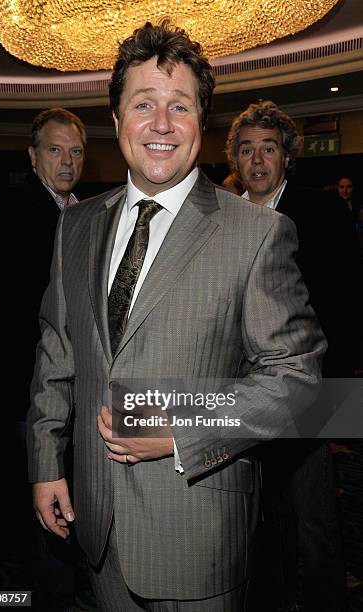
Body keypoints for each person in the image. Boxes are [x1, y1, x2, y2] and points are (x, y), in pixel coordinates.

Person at [27, 22, 326, 611]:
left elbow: (298, 383)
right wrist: (45, 463)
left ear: (201, 124)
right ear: (117, 123)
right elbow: (56, 355)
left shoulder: (258, 234)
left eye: (179, 107)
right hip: (97, 526)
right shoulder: (77, 226)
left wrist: (182, 430)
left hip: (201, 538)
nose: (160, 124)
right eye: (143, 104)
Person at [225, 100, 361, 611]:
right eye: (246, 150)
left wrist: (332, 388)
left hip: (311, 386)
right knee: (264, 512)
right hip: (242, 390)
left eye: (269, 149)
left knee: (314, 513)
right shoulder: (223, 219)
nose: (258, 161)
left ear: (287, 157)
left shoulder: (322, 210)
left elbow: (347, 299)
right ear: (234, 161)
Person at [0, 107, 92, 609]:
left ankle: (62, 583)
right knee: (39, 491)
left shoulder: (84, 211)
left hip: (72, 386)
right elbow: (31, 301)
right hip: (30, 384)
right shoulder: (13, 207)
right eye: (55, 149)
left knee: (62, 489)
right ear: (33, 157)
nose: (67, 161)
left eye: (75, 151)